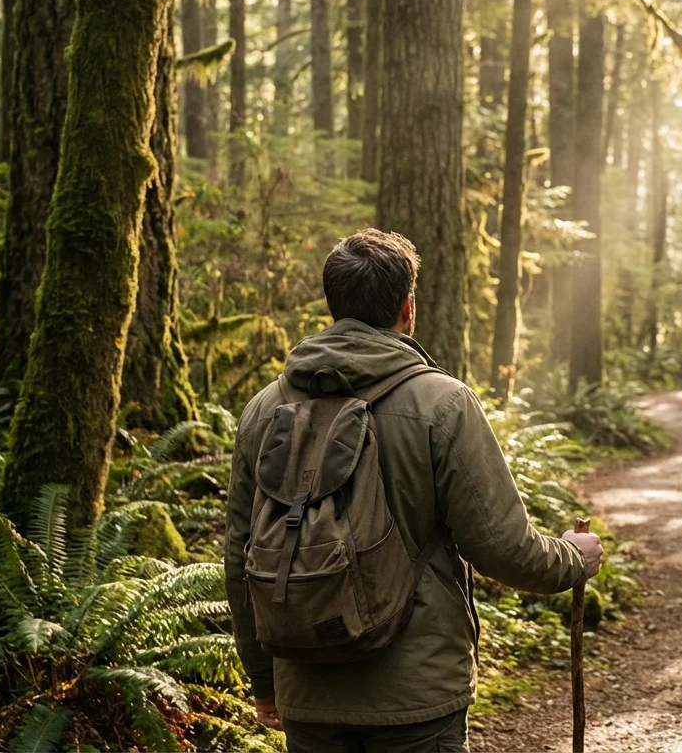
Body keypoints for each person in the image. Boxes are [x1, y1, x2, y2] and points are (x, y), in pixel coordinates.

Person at [225, 228, 604, 752]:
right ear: (408, 306)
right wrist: (572, 559)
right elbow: (501, 547)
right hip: (416, 697)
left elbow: (239, 556)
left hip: (307, 689)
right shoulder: (443, 404)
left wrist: (264, 680)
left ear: (333, 305)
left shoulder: (266, 408)